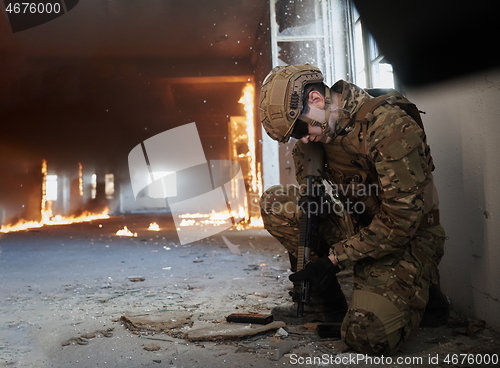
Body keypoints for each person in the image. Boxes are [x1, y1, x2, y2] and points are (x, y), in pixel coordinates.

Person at [258, 64, 449, 356]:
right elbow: (317, 200)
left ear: (317, 101)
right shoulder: (315, 141)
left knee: (367, 336)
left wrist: (334, 259)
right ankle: (324, 303)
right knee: (277, 203)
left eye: (300, 128)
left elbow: (401, 221)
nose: (303, 138)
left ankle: (425, 294)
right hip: (360, 226)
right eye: (296, 135)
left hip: (407, 237)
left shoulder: (387, 125)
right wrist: (317, 206)